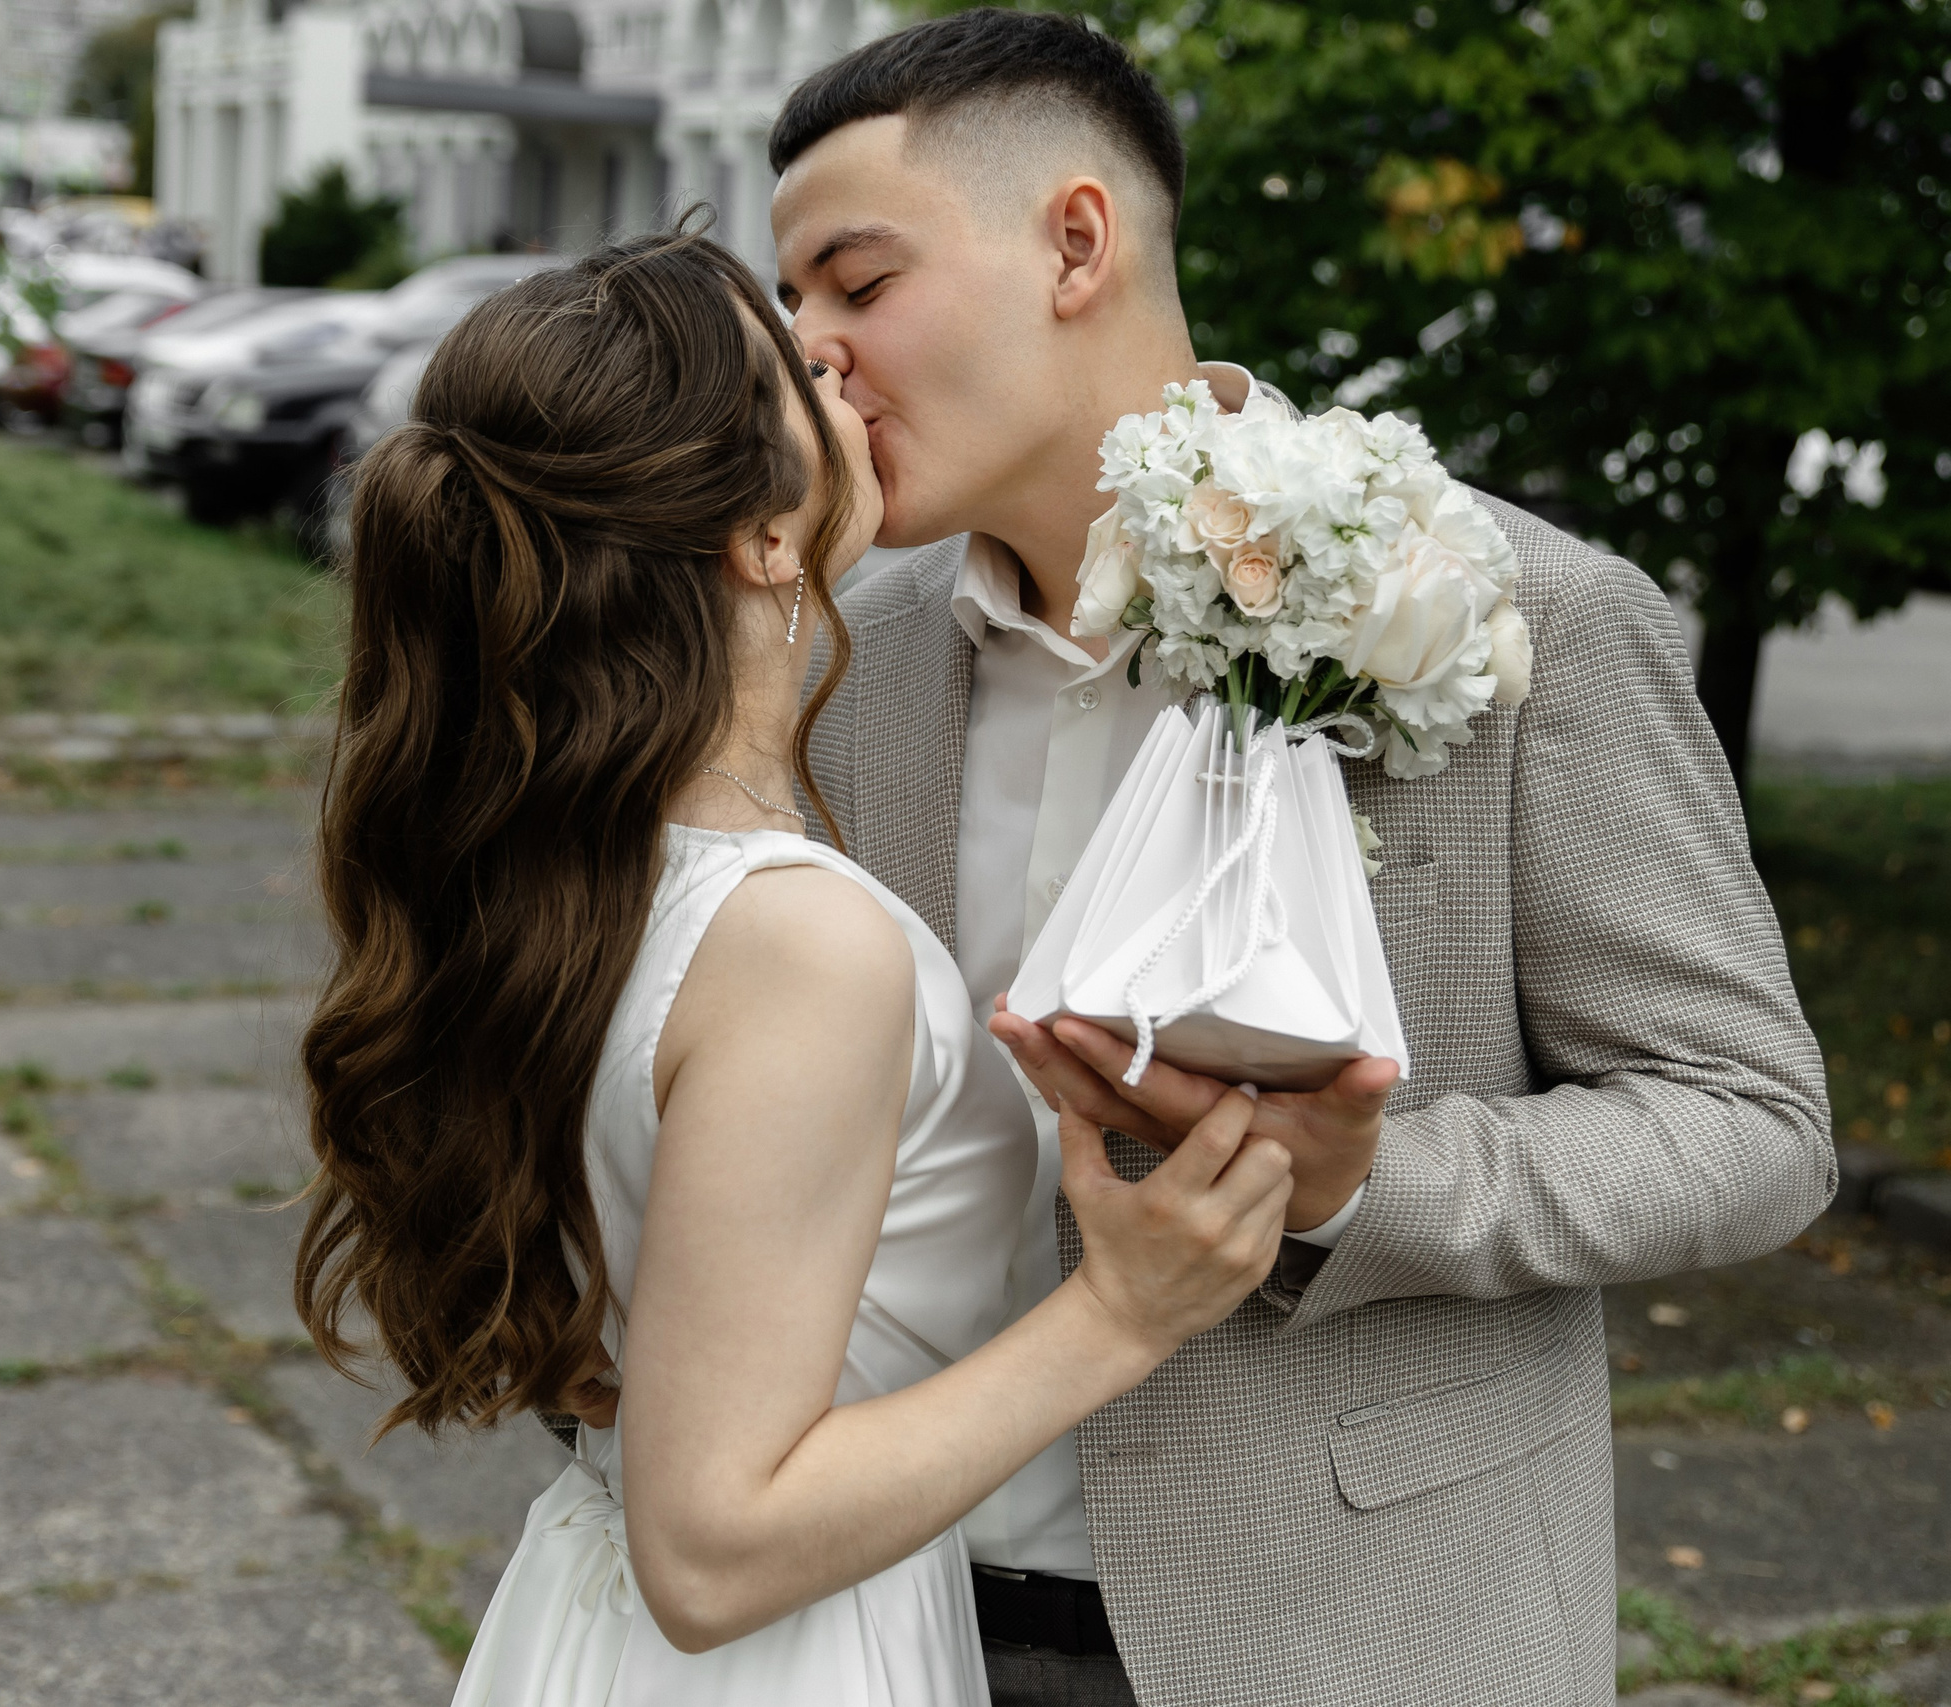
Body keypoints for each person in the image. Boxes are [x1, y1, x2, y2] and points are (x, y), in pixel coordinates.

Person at [767, 11, 1835, 1706]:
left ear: (1074, 242)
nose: (811, 354)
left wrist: (1357, 1190)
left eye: (853, 281)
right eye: (792, 308)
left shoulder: (1511, 615)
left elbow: (1751, 1124)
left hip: (1355, 1629)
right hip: (877, 1617)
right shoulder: (837, 656)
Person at [293, 230, 1297, 1705]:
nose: (839, 362)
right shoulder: (793, 940)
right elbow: (712, 1552)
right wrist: (1122, 1314)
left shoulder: (564, 873)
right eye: (796, 364)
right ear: (764, 540)